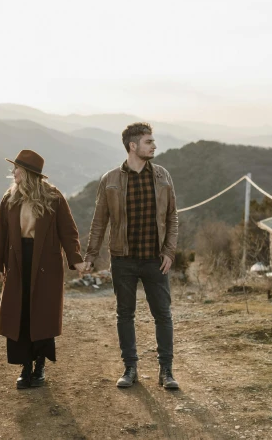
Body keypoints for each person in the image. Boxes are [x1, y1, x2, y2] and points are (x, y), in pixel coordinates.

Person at [84, 122, 180, 389]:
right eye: (149, 141)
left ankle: (166, 371)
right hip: (123, 259)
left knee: (163, 315)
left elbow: (172, 217)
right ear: (133, 146)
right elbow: (99, 221)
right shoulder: (110, 180)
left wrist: (169, 251)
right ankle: (130, 368)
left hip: (155, 259)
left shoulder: (162, 176)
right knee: (125, 314)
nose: (154, 146)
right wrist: (90, 255)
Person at [0, 149, 88, 389]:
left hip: (45, 262)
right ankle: (25, 367)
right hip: (16, 261)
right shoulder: (9, 199)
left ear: (28, 173)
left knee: (41, 313)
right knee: (20, 313)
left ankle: (40, 365)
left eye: (17, 169)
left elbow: (68, 231)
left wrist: (76, 259)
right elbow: (0, 234)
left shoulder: (54, 197)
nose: (13, 173)